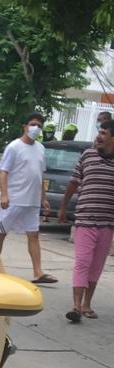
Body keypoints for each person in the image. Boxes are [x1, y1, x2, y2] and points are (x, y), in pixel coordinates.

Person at [57, 118, 114, 321]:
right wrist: (63, 207)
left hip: (107, 224)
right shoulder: (87, 155)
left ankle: (87, 304)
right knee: (83, 261)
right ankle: (76, 306)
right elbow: (73, 183)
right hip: (84, 219)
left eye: (104, 133)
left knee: (96, 265)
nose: (98, 136)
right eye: (99, 132)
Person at [0, 112, 57, 285]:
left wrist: (43, 197)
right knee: (0, 234)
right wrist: (4, 194)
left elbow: (40, 174)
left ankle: (38, 272)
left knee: (34, 235)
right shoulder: (14, 147)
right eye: (33, 124)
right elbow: (3, 172)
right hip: (14, 200)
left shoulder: (41, 148)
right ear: (24, 126)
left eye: (39, 125)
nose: (36, 128)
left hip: (32, 202)